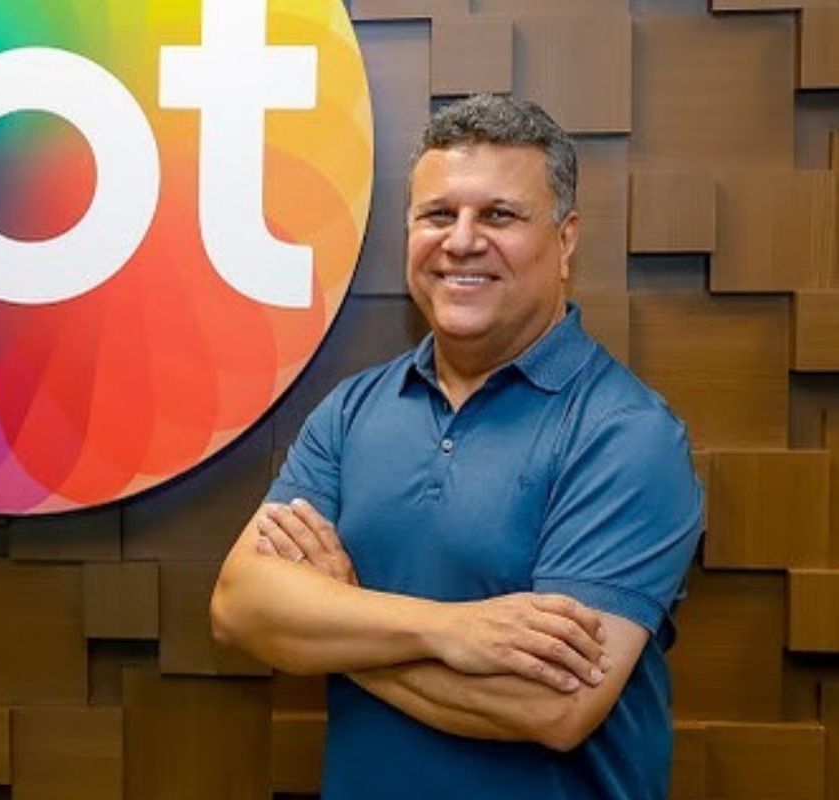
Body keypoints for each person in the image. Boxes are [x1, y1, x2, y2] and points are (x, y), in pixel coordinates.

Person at [210, 94, 703, 800]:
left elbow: (552, 706)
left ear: (565, 241)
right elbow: (239, 607)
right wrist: (452, 630)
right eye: (438, 215)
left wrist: (339, 617)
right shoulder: (352, 411)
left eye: (499, 215)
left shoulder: (626, 435)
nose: (462, 241)